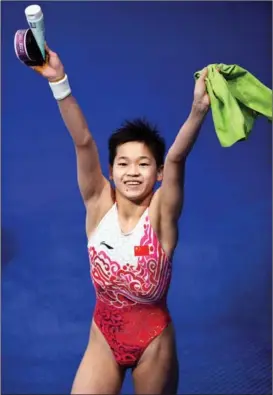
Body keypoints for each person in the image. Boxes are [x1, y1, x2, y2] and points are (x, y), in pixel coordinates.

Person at [28, 44, 210, 394]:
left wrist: (198, 109)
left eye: (143, 164)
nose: (132, 172)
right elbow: (83, 143)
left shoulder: (161, 214)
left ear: (156, 173)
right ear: (110, 170)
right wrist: (59, 81)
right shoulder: (98, 204)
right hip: (103, 339)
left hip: (154, 342)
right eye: (123, 163)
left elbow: (176, 159)